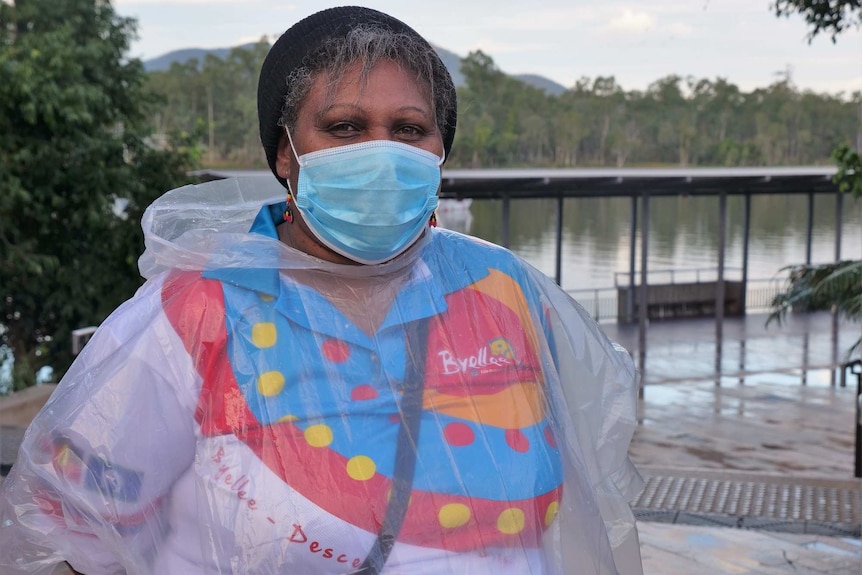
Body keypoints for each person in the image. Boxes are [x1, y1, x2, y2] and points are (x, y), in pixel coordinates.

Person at [0, 6, 643, 574]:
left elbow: (589, 485)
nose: (380, 152)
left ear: (440, 148)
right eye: (343, 128)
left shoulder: (506, 292)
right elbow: (71, 537)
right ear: (286, 153)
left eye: (409, 129)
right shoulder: (198, 312)